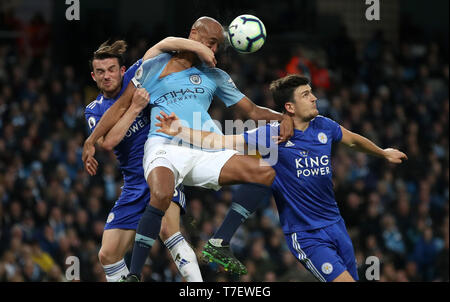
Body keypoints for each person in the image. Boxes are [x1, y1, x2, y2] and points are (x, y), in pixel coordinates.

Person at [82, 16, 294, 280]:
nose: (214, 50)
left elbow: (253, 111)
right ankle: (135, 275)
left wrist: (284, 117)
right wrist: (90, 141)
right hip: (164, 146)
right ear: (194, 35)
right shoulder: (154, 65)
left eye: (217, 46)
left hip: (206, 146)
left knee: (267, 171)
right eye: (211, 43)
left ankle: (219, 243)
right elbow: (120, 107)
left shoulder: (216, 75)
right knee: (116, 248)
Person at [155, 74, 408, 282]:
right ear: (289, 107)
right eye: (306, 95)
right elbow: (221, 141)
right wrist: (179, 129)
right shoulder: (271, 138)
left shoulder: (324, 126)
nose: (314, 97)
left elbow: (352, 139)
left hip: (336, 225)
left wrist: (382, 153)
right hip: (307, 235)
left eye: (311, 92)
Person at [84, 38, 216, 282]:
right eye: (100, 72)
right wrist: (135, 108)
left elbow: (164, 44)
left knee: (169, 232)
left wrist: (199, 48)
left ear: (122, 70)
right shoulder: (94, 109)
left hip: (161, 165)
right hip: (134, 182)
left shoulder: (138, 75)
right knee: (107, 254)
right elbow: (109, 142)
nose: (106, 76)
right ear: (93, 76)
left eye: (111, 69)